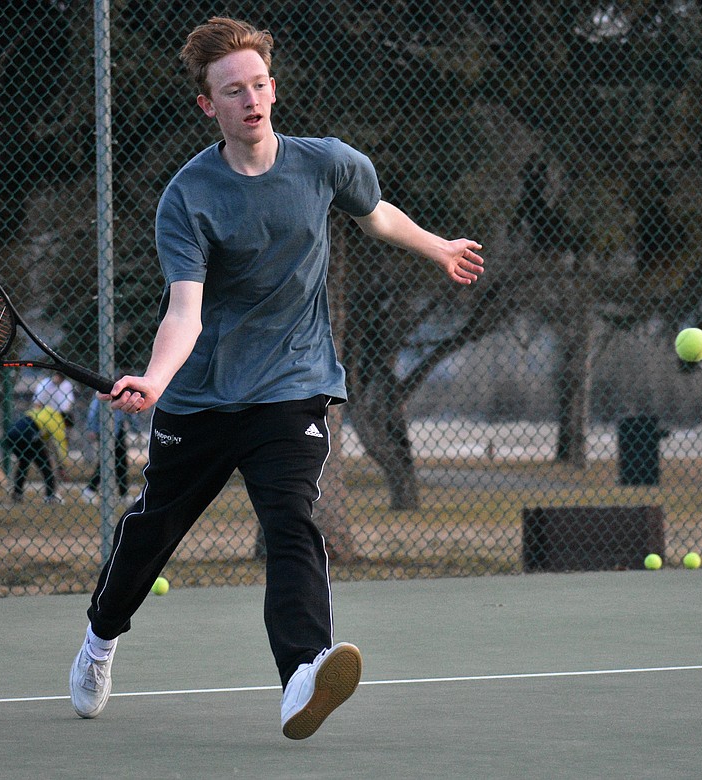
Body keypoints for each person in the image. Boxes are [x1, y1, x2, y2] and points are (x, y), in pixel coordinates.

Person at [68, 16, 484, 739]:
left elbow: (376, 214)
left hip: (293, 385)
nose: (251, 99)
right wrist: (159, 378)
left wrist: (438, 246)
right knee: (151, 533)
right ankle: (101, 637)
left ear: (272, 87)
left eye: (259, 84)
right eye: (233, 91)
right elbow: (185, 311)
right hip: (199, 397)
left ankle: (301, 674)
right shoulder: (188, 197)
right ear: (208, 105)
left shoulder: (325, 163)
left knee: (294, 518)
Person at [5, 403, 68, 504]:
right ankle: (50, 495)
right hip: (29, 433)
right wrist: (62, 465)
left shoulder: (45, 411)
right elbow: (60, 445)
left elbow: (44, 436)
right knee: (45, 465)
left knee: (24, 463)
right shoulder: (59, 421)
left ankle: (17, 493)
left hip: (12, 433)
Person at [82, 393, 132, 501]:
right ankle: (90, 489)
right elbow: (93, 412)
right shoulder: (103, 394)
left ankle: (123, 494)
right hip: (105, 432)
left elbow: (128, 414)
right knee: (106, 462)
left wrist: (136, 429)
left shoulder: (124, 395)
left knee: (121, 462)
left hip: (118, 432)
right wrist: (92, 429)